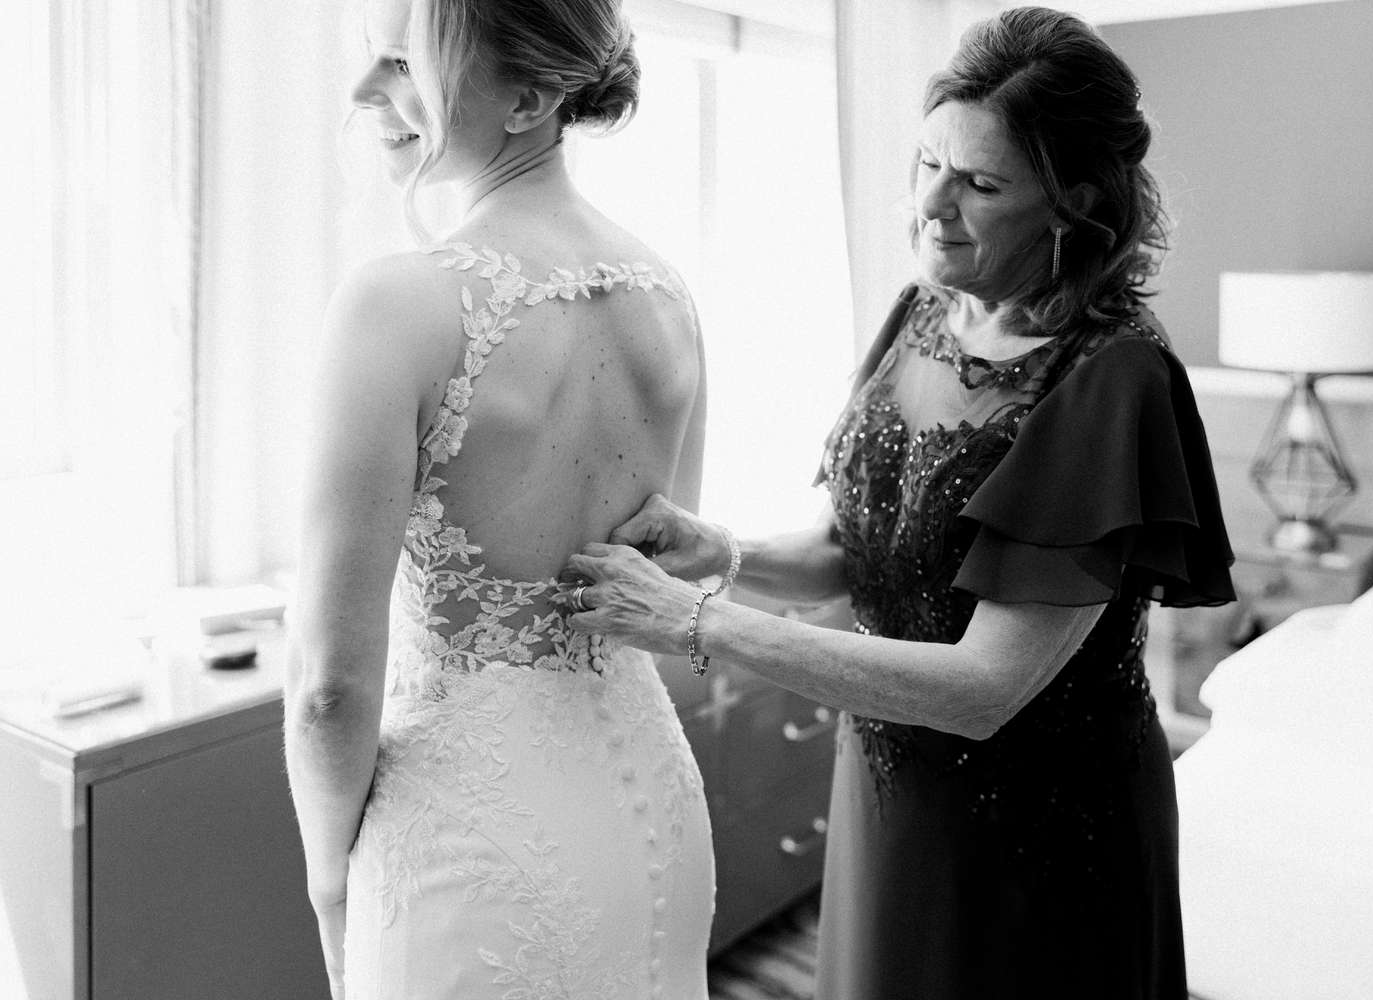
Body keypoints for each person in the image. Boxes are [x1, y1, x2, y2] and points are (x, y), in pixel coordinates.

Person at [559, 8, 1235, 998]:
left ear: (1074, 205)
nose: (932, 207)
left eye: (981, 184)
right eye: (927, 164)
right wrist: (718, 549)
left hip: (1039, 836)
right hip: (890, 794)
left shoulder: (1111, 379)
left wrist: (696, 624)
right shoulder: (924, 311)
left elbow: (984, 685)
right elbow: (863, 549)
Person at [281, 1, 714, 997]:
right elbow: (663, 569)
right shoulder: (669, 294)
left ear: (527, 96)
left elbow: (327, 684)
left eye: (399, 62)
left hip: (465, 844)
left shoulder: (397, 304)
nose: (362, 95)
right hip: (648, 807)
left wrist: (327, 881)